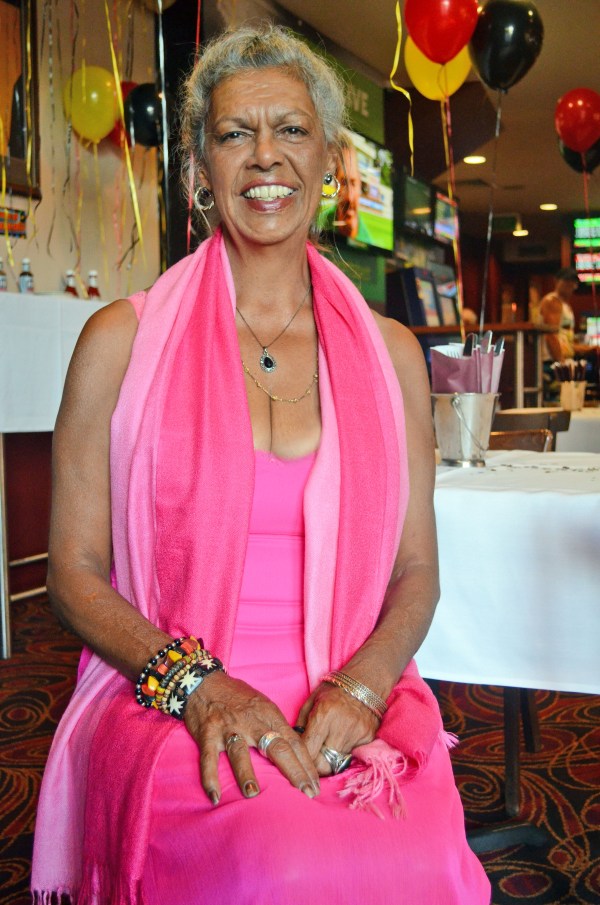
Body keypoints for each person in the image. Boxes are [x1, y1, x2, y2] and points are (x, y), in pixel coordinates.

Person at [32, 25, 490, 904]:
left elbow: (418, 571)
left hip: (347, 684)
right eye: (235, 133)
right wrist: (199, 687)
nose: (264, 156)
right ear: (199, 169)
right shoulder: (119, 341)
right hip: (169, 687)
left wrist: (361, 688)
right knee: (272, 862)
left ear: (326, 160)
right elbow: (73, 574)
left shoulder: (393, 354)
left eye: (291, 129)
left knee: (406, 853)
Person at [539, 267, 594, 400]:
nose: (570, 285)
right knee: (558, 403)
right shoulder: (552, 301)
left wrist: (589, 348)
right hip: (552, 363)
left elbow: (565, 341)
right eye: (566, 281)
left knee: (588, 369)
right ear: (557, 281)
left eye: (573, 282)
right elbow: (550, 336)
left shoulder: (566, 306)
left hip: (563, 360)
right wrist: (562, 364)